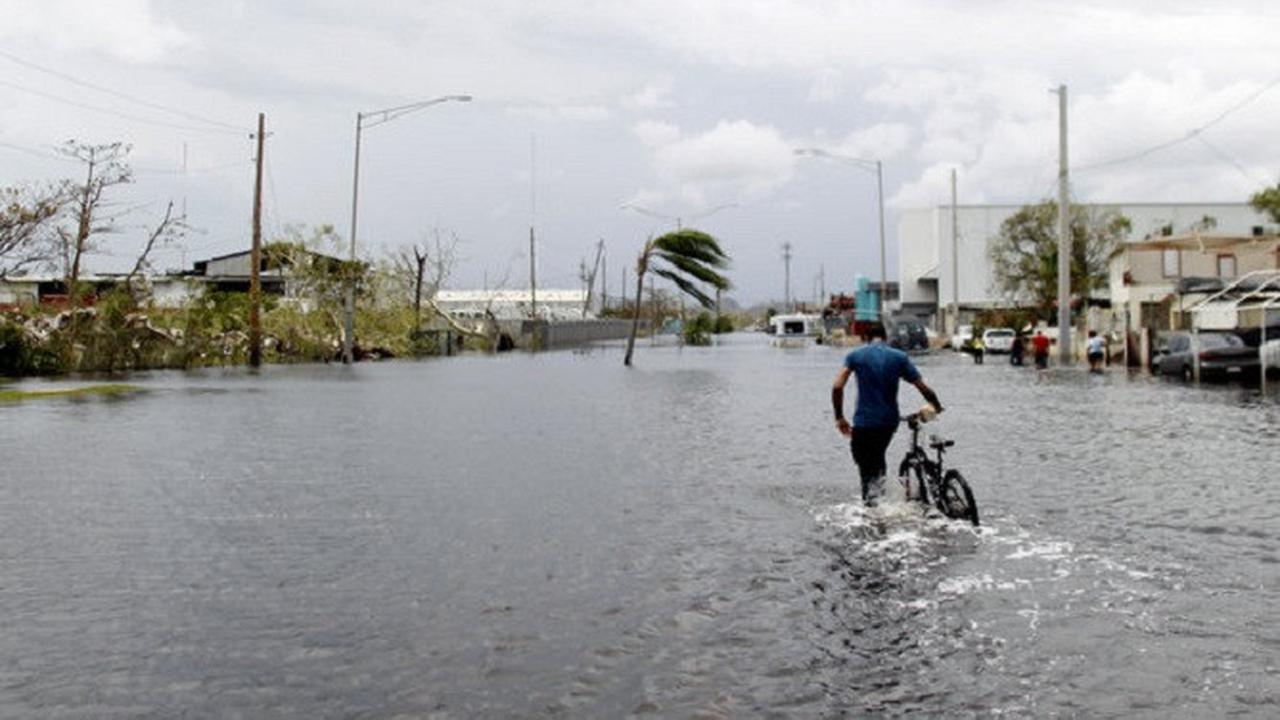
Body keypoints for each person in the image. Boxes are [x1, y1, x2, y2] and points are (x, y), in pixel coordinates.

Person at [832, 325, 943, 506]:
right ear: (885, 337)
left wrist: (839, 417)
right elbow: (922, 387)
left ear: (866, 337)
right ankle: (880, 497)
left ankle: (872, 508)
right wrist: (936, 405)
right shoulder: (899, 357)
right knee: (878, 456)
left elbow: (837, 387)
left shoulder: (855, 356)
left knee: (867, 469)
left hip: (865, 422)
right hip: (889, 422)